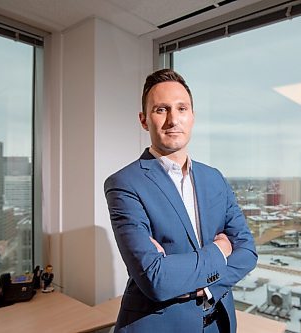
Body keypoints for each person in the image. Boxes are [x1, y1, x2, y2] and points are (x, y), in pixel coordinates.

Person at [104, 69, 257, 333]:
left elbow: (247, 252)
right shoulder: (123, 184)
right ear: (144, 120)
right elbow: (156, 279)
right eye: (161, 109)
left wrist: (204, 286)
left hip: (219, 324)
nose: (173, 120)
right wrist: (220, 250)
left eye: (181, 108)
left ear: (192, 117)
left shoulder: (214, 178)